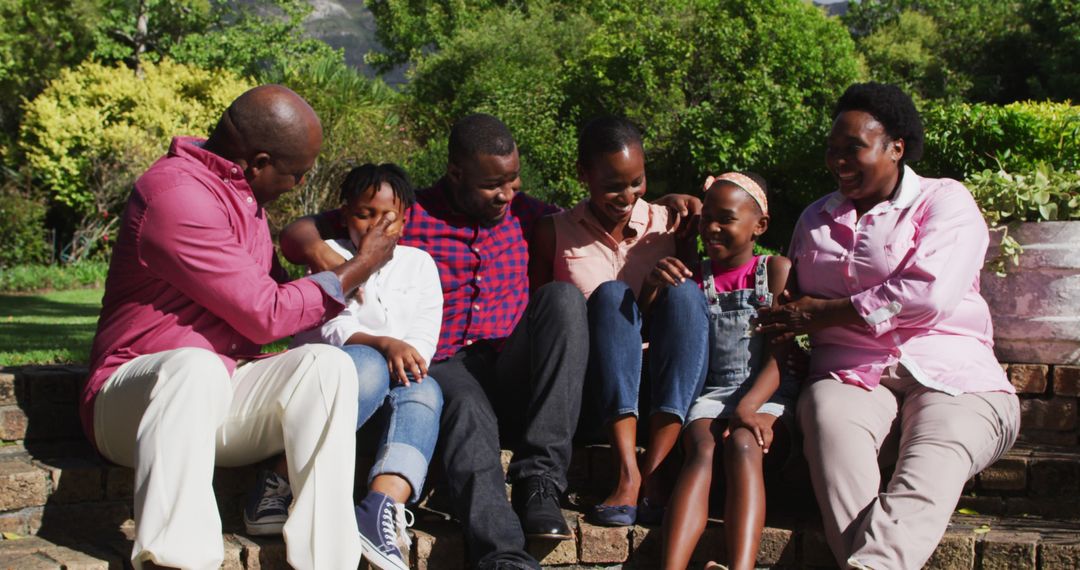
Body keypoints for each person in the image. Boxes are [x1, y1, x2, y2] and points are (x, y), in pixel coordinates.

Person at [84, 85, 401, 570]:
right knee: (195, 367)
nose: (297, 185)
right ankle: (178, 561)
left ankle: (327, 561)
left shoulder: (245, 200)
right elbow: (265, 312)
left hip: (219, 397)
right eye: (295, 173)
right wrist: (357, 267)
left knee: (328, 367)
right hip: (133, 406)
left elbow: (279, 301)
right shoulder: (175, 196)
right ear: (257, 161)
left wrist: (317, 254)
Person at [756, 82, 1020, 570]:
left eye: (853, 148)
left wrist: (824, 313)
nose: (838, 162)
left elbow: (931, 294)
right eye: (832, 150)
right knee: (828, 423)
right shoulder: (815, 217)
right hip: (849, 375)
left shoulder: (945, 201)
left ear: (896, 147)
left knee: (933, 457)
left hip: (953, 375)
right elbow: (786, 296)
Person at [244, 163, 444, 570]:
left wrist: (403, 352)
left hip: (393, 386)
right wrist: (386, 344)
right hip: (339, 382)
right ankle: (277, 480)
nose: (374, 225)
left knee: (426, 389)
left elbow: (424, 331)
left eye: (387, 216)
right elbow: (333, 327)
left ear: (404, 219)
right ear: (344, 212)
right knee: (367, 363)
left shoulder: (419, 264)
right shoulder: (331, 257)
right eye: (363, 213)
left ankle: (381, 507)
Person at [528, 116, 708, 527]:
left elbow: (691, 319)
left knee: (683, 291)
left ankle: (657, 473)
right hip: (597, 393)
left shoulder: (672, 222)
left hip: (665, 390)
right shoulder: (553, 233)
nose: (627, 195)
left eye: (637, 182)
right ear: (583, 175)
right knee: (609, 295)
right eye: (613, 185)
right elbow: (545, 320)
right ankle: (628, 475)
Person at [647, 173, 797, 570]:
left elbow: (778, 360)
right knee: (702, 446)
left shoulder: (776, 271)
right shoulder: (694, 278)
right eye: (707, 217)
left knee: (743, 444)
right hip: (713, 394)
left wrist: (749, 408)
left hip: (768, 394)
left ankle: (740, 566)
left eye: (726, 219)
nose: (712, 227)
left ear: (759, 226)